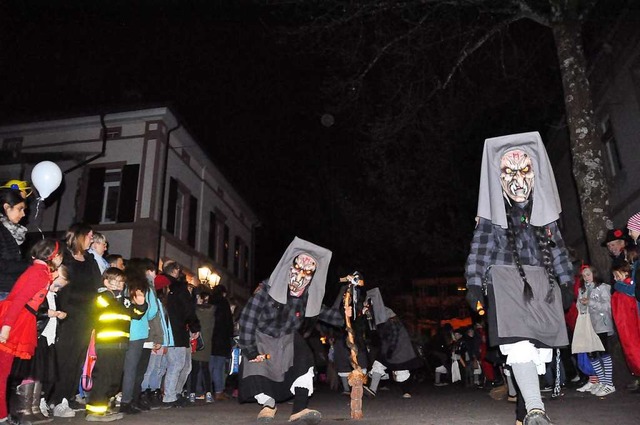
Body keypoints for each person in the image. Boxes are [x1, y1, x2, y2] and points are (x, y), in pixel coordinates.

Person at [465, 132, 574, 425]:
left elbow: (559, 250)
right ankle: (536, 410)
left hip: (543, 282)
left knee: (539, 348)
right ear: (497, 177)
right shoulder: (492, 217)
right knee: (520, 346)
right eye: (508, 171)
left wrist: (566, 282)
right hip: (505, 282)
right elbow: (480, 250)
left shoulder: (545, 216)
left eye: (524, 170)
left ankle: (523, 413)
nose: (517, 180)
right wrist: (474, 284)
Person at [237, 237, 343, 424]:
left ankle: (299, 409)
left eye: (308, 271)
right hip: (262, 337)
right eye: (298, 269)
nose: (301, 275)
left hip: (286, 340)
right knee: (257, 370)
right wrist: (250, 349)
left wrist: (347, 315)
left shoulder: (308, 297)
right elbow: (248, 318)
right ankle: (268, 406)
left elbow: (329, 315)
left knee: (304, 359)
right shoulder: (267, 289)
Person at [0, 239, 62, 424]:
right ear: (52, 256)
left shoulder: (40, 271)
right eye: (59, 255)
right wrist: (6, 327)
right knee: (2, 370)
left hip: (19, 317)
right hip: (18, 319)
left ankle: (2, 413)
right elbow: (19, 300)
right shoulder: (39, 273)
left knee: (3, 370)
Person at [51, 223, 102, 418]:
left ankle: (69, 395)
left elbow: (97, 285)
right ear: (79, 236)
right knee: (65, 357)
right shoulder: (65, 257)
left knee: (79, 357)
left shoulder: (89, 259)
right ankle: (57, 399)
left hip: (88, 315)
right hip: (68, 314)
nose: (91, 238)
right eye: (89, 235)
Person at [84, 267, 148, 422]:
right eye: (116, 281)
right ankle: (94, 411)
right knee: (104, 376)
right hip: (106, 344)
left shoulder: (124, 301)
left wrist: (141, 305)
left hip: (121, 344)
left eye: (122, 282)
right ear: (106, 282)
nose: (120, 284)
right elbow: (97, 309)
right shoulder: (101, 297)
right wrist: (115, 296)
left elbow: (137, 315)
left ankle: (104, 407)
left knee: (114, 378)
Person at [363, 288, 422, 398]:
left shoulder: (391, 322)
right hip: (390, 348)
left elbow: (394, 336)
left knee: (401, 372)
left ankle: (406, 391)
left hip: (398, 349)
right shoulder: (385, 321)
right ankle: (372, 390)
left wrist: (390, 350)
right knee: (378, 365)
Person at [119, 259, 159, 414]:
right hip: (139, 331)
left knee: (126, 367)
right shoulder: (144, 287)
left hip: (122, 328)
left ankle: (123, 399)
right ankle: (128, 401)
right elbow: (152, 310)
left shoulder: (123, 285)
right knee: (134, 369)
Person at [161, 262, 200, 408]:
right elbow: (187, 309)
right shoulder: (178, 288)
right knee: (177, 364)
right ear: (176, 271)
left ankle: (173, 393)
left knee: (175, 365)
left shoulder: (160, 286)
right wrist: (195, 326)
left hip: (167, 330)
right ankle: (170, 396)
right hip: (177, 330)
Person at [573, 265, 615, 396]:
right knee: (592, 353)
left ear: (594, 274)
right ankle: (602, 381)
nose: (586, 277)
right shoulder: (583, 289)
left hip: (601, 324)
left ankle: (609, 383)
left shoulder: (603, 287)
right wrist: (581, 303)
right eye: (584, 275)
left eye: (588, 274)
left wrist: (590, 302)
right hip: (587, 325)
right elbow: (580, 307)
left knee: (603, 352)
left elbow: (607, 306)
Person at [610, 260, 640, 390]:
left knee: (635, 351)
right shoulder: (621, 288)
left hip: (630, 326)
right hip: (624, 327)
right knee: (631, 352)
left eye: (617, 275)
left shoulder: (626, 287)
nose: (615, 279)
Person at [0, 188, 30, 301]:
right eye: (20, 209)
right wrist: (28, 265)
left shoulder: (10, 231)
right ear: (7, 207)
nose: (23, 214)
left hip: (9, 290)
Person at [209, 284, 234, 401]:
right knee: (219, 367)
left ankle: (207, 390)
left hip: (210, 338)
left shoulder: (210, 302)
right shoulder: (224, 304)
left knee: (210, 366)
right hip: (221, 339)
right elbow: (228, 323)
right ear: (223, 293)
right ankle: (218, 391)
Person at [189, 291, 214, 403]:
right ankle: (208, 393)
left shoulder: (195, 311)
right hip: (207, 343)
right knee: (205, 369)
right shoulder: (212, 312)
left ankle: (192, 394)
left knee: (194, 369)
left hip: (196, 342)